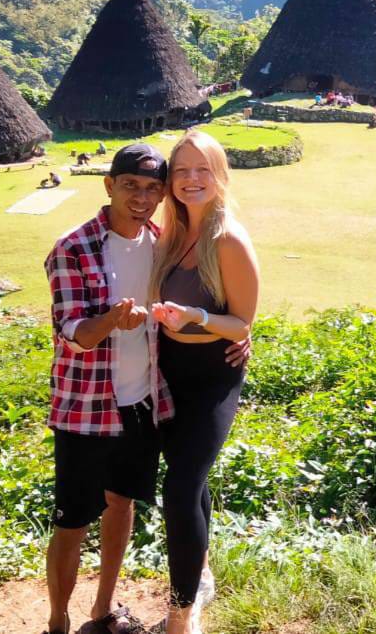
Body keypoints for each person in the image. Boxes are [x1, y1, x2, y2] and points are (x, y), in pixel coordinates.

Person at [42, 143, 250, 634]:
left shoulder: (162, 241)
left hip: (143, 404)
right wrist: (111, 319)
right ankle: (57, 622)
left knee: (122, 505)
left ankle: (103, 610)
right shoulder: (73, 248)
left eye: (152, 189)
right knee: (72, 521)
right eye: (130, 185)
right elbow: (71, 333)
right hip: (86, 407)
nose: (141, 197)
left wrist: (243, 331)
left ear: (162, 196)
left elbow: (219, 302)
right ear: (109, 185)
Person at [149, 130, 259, 634]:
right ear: (171, 180)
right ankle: (202, 570)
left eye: (202, 169)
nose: (191, 180)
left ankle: (181, 610)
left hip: (213, 379)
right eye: (181, 171)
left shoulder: (228, 240)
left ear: (219, 175)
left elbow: (241, 324)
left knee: (179, 486)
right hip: (169, 373)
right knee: (189, 482)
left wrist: (197, 315)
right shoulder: (170, 235)